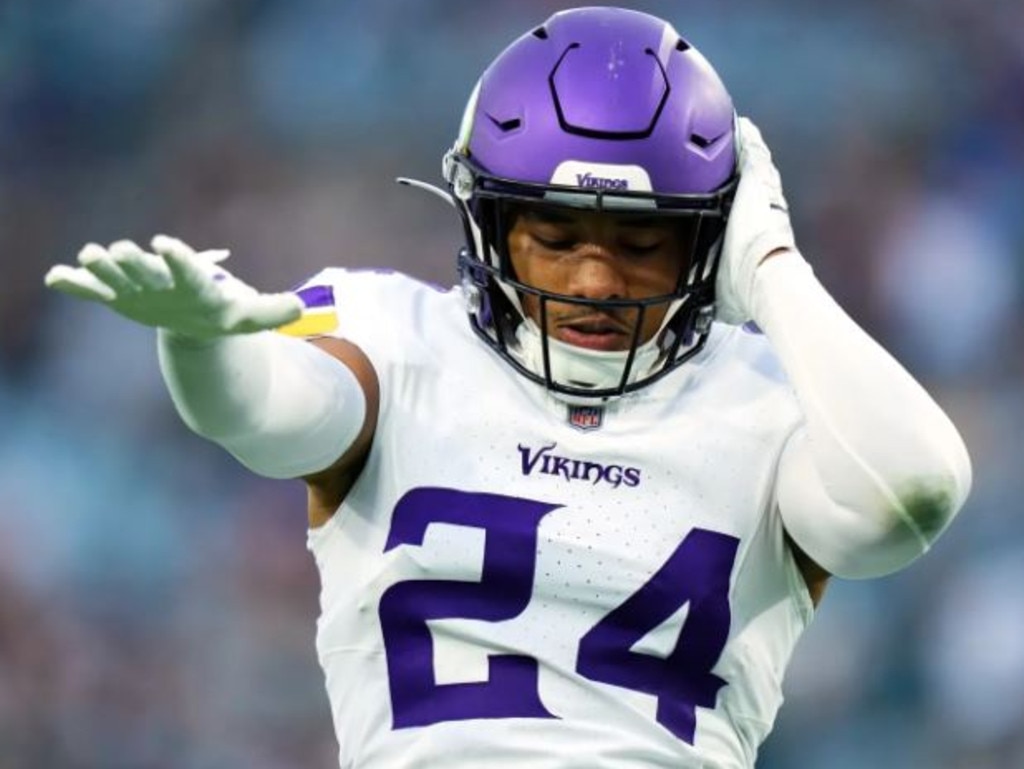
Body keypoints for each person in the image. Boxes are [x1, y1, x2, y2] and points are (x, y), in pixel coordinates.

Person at [44, 7, 972, 768]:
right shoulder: (397, 336)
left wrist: (773, 265)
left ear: (707, 243)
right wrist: (203, 345)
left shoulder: (770, 397)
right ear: (488, 222)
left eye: (643, 244)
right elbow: (270, 412)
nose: (595, 283)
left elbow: (909, 492)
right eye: (557, 239)